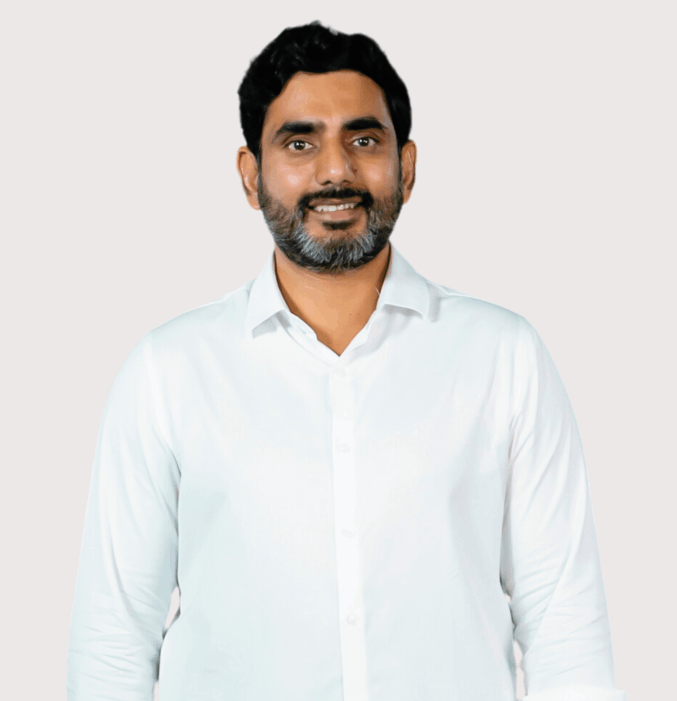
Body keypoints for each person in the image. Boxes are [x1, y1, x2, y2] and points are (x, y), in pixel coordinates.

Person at [67, 21, 627, 701]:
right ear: (250, 175)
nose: (335, 170)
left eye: (363, 140)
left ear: (407, 167)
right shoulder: (168, 372)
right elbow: (115, 638)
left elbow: (564, 622)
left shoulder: (504, 358)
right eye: (299, 143)